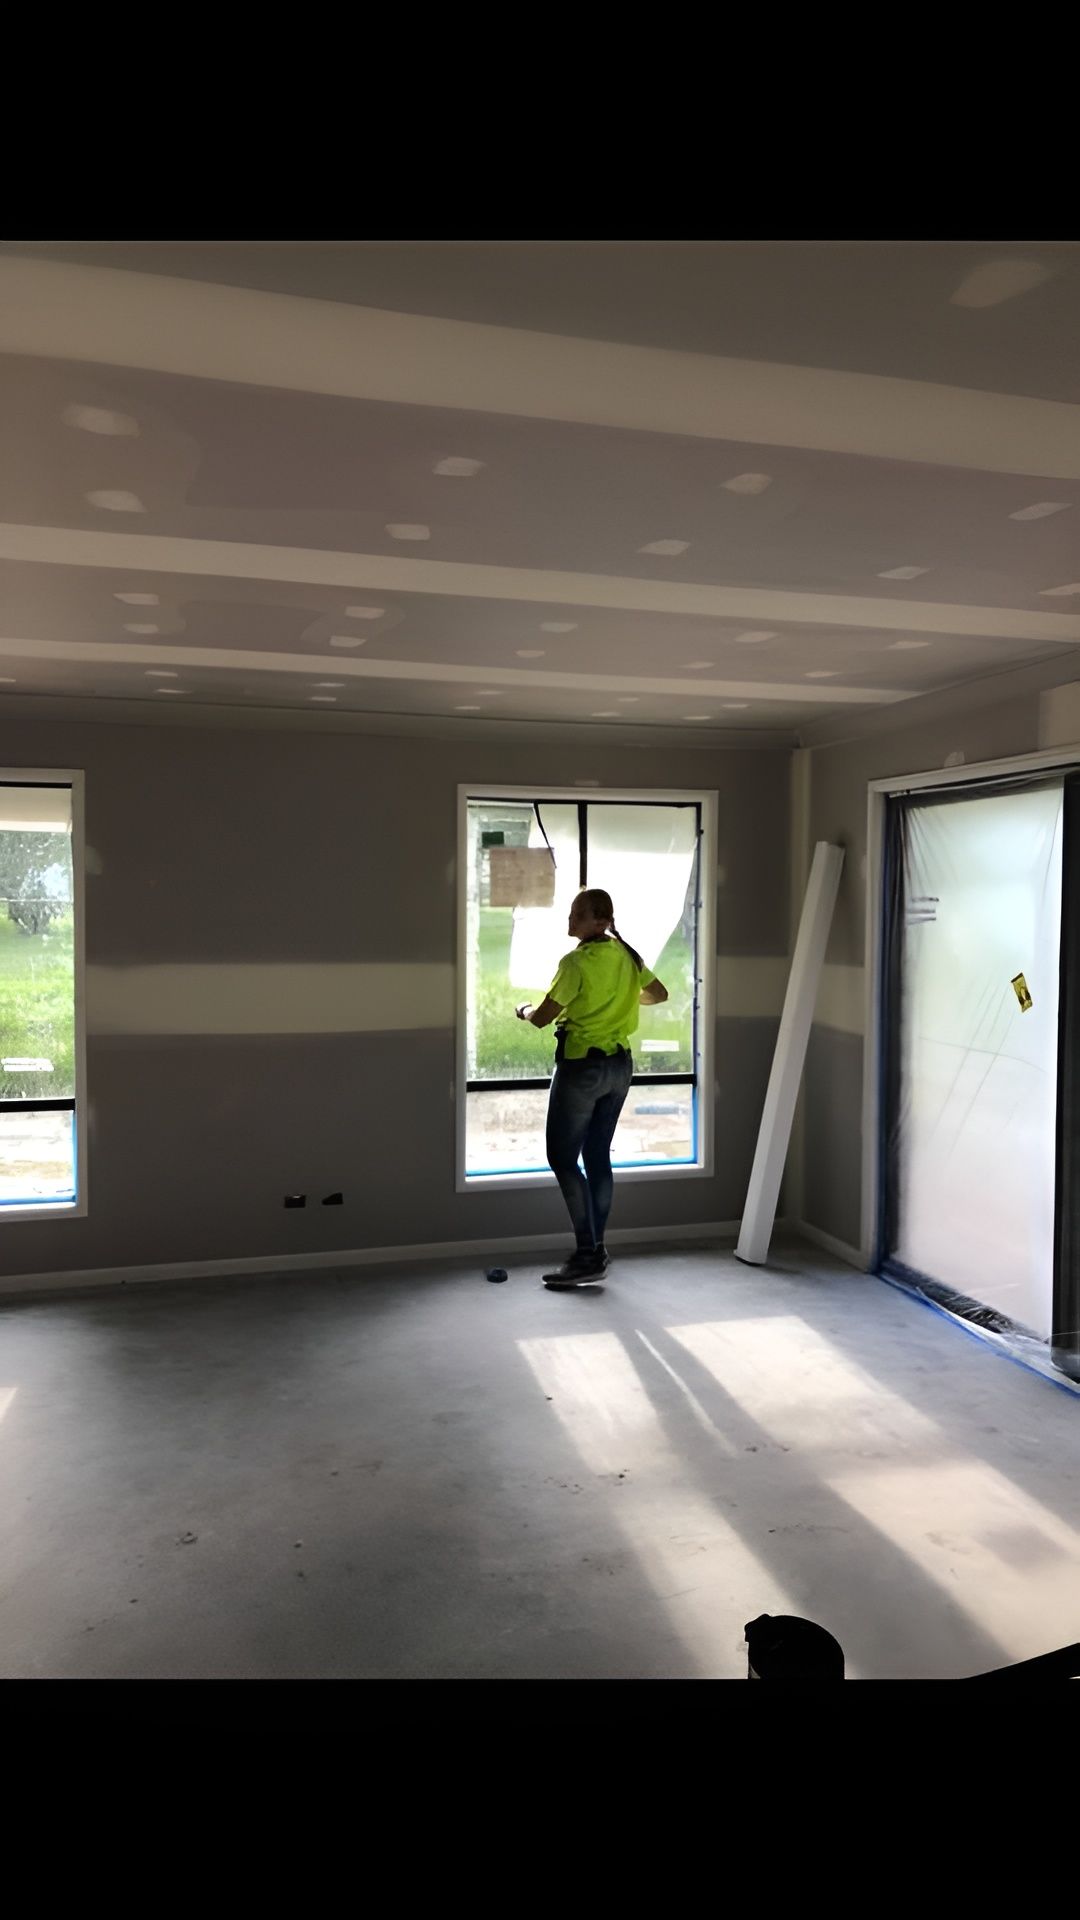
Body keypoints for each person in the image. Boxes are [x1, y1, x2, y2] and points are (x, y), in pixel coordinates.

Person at [514, 887, 668, 1289]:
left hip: (583, 1067)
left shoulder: (575, 963)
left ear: (601, 921)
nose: (571, 920)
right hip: (619, 1067)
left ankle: (588, 1255)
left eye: (578, 915)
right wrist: (621, 999)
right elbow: (658, 994)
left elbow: (542, 1018)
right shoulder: (627, 956)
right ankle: (597, 1248)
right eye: (571, 913)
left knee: (562, 1158)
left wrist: (523, 1010)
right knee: (597, 1156)